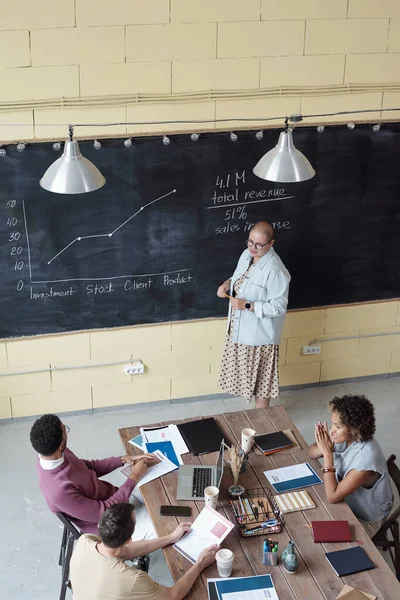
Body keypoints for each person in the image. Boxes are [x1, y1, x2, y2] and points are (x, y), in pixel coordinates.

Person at [30, 413, 155, 538]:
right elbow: (104, 511)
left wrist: (122, 459)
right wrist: (134, 477)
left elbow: (88, 466)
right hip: (113, 525)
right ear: (61, 444)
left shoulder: (56, 453)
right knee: (166, 525)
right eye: (65, 430)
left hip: (116, 498)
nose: (67, 433)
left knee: (158, 488)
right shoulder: (58, 491)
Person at [70, 502, 218, 600]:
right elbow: (173, 595)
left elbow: (124, 552)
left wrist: (170, 538)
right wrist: (199, 564)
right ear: (129, 540)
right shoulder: (132, 579)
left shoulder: (85, 541)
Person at [217, 221, 290, 408]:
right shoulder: (246, 255)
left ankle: (262, 421)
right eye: (250, 242)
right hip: (240, 331)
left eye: (259, 245)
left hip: (260, 337)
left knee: (262, 384)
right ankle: (257, 418)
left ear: (271, 243)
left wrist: (248, 305)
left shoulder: (275, 270)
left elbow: (279, 307)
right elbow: (239, 277)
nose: (253, 248)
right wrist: (227, 284)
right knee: (249, 381)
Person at [308, 394, 396, 537]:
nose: (332, 430)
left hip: (367, 519)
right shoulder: (347, 437)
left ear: (354, 428)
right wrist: (324, 447)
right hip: (349, 503)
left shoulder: (366, 459)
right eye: (332, 424)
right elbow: (311, 452)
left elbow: (333, 496)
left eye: (337, 426)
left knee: (314, 531)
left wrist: (328, 455)